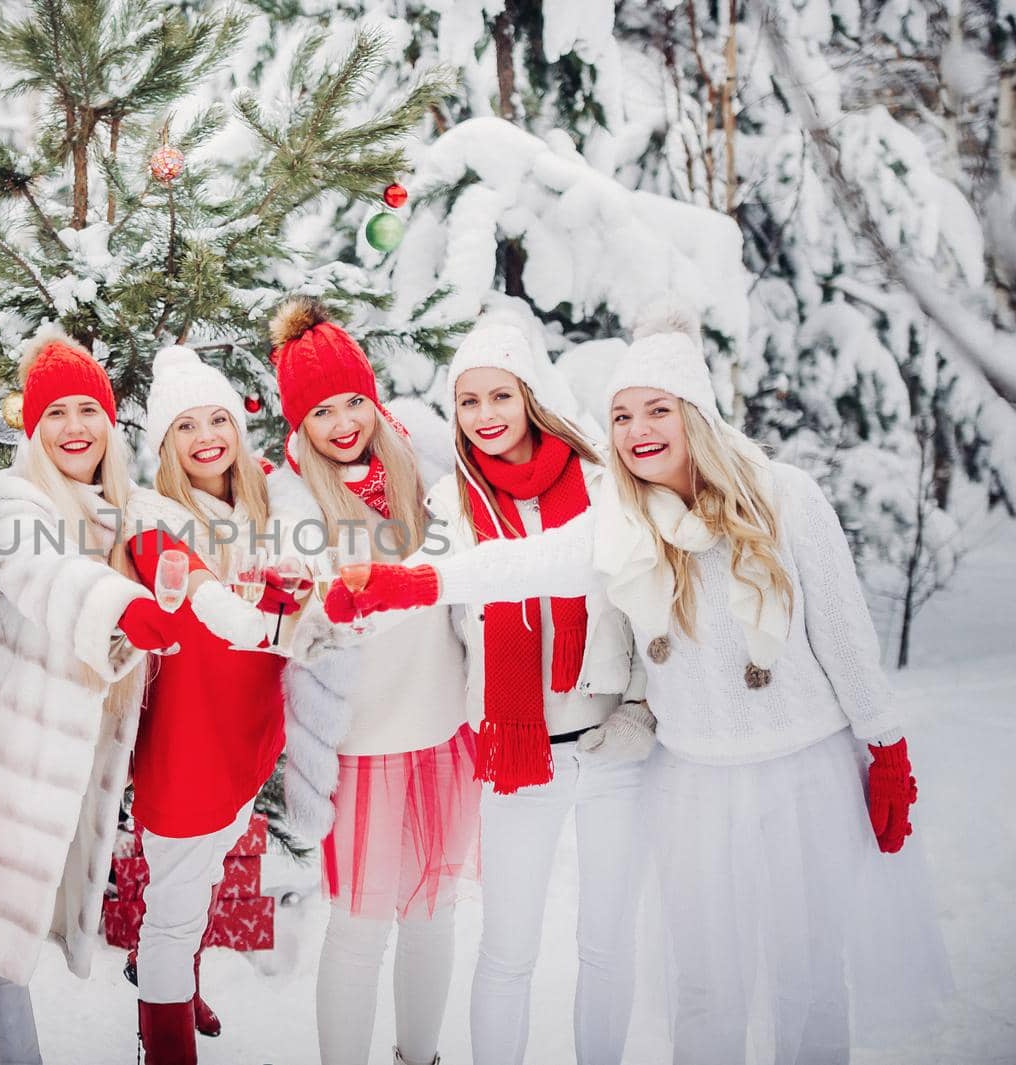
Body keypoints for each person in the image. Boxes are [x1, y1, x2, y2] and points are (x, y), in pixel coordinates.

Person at [331, 303, 951, 1063]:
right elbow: (523, 565)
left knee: (807, 975)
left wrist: (885, 744)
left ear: (697, 413)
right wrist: (412, 583)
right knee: (702, 982)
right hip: (689, 775)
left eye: (657, 410)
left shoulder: (781, 496)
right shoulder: (628, 514)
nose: (636, 429)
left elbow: (848, 638)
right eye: (621, 415)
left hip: (793, 771)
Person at [0, 326, 178, 1065]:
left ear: (109, 423)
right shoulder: (13, 500)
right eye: (55, 414)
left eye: (88, 411)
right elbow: (48, 576)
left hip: (44, 781)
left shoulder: (118, 515)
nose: (74, 427)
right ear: (32, 429)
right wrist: (125, 609)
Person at [424, 320, 652, 1065]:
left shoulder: (600, 485)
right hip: (518, 760)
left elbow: (647, 600)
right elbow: (441, 634)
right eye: (468, 402)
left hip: (611, 748)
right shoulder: (447, 507)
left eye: (500, 395)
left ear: (530, 397)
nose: (486, 415)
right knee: (507, 949)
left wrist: (642, 708)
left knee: (608, 944)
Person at [265, 296, 480, 1065]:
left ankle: (419, 1055)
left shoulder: (422, 461)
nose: (344, 422)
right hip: (363, 742)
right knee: (360, 928)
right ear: (299, 422)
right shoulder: (291, 502)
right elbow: (323, 617)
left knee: (433, 914)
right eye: (322, 410)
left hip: (442, 725)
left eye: (355, 400)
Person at [120, 345, 304, 1063]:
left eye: (217, 418)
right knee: (173, 907)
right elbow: (204, 597)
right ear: (165, 444)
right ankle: (162, 1033)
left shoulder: (262, 500)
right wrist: (268, 614)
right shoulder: (151, 513)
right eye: (185, 426)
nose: (206, 437)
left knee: (205, 872)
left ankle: (179, 978)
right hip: (186, 742)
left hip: (247, 732)